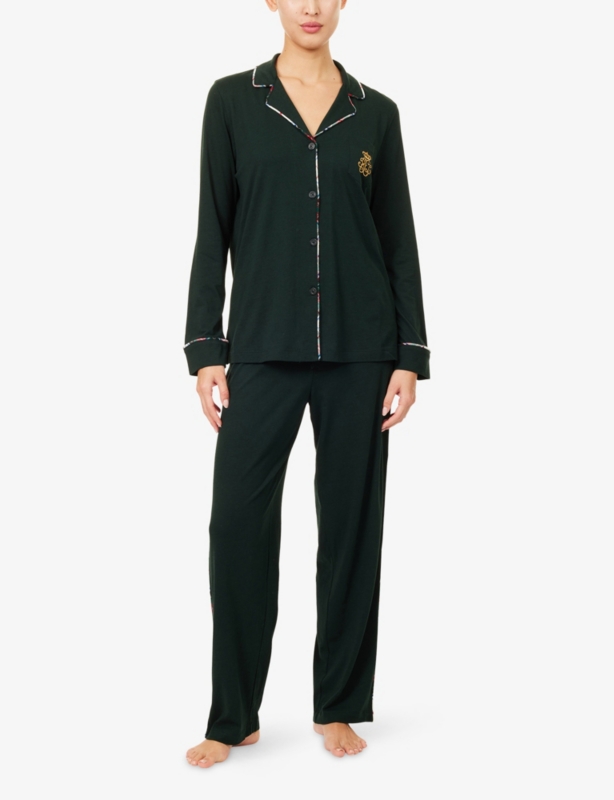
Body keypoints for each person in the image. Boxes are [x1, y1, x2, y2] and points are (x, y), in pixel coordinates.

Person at [184, 0, 430, 768]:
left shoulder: (375, 113)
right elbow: (212, 226)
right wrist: (205, 346)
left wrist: (409, 354)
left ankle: (340, 704)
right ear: (273, 1)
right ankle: (234, 716)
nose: (312, 6)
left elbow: (397, 237)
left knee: (352, 530)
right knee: (236, 530)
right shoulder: (234, 100)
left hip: (363, 351)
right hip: (261, 347)